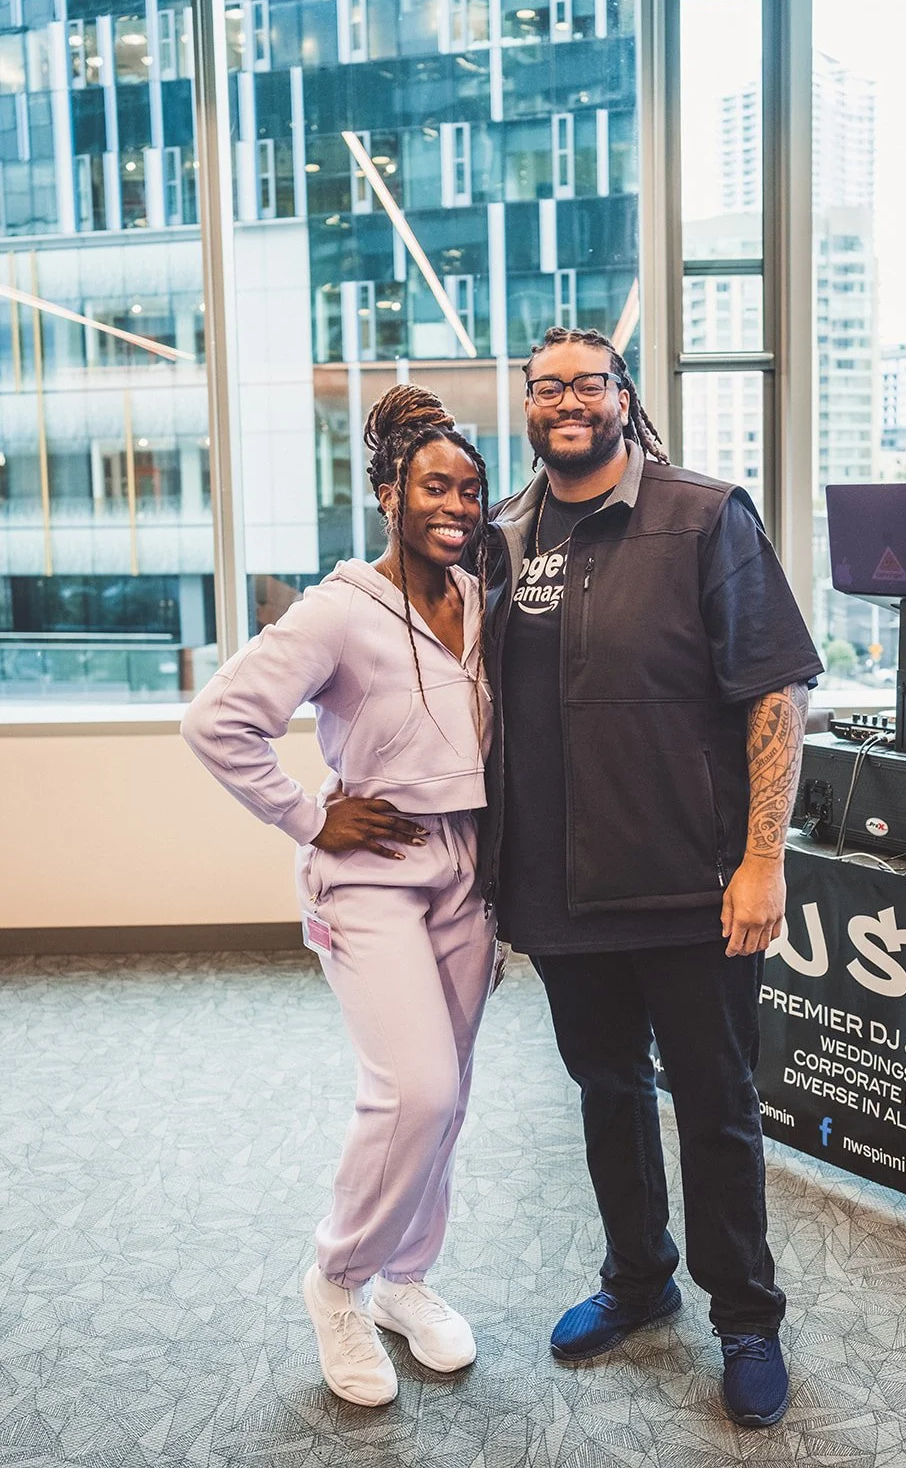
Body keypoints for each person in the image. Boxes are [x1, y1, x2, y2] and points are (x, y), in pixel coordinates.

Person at [480, 327, 823, 1429]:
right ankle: (638, 1276)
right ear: (527, 405)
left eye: (588, 382)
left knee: (716, 1104)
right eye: (547, 387)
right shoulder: (503, 536)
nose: (566, 400)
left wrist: (762, 860)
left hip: (690, 883)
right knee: (606, 1092)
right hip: (559, 887)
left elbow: (773, 693)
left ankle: (746, 1314)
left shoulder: (702, 514)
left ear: (622, 398)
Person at [181, 386, 496, 1408]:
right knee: (416, 1090)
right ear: (386, 494)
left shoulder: (479, 595)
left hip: (468, 871)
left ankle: (407, 1280)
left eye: (469, 487)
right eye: (434, 485)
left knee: (443, 1106)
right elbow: (217, 721)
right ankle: (336, 1279)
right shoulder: (337, 608)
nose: (456, 502)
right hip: (369, 876)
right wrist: (310, 816)